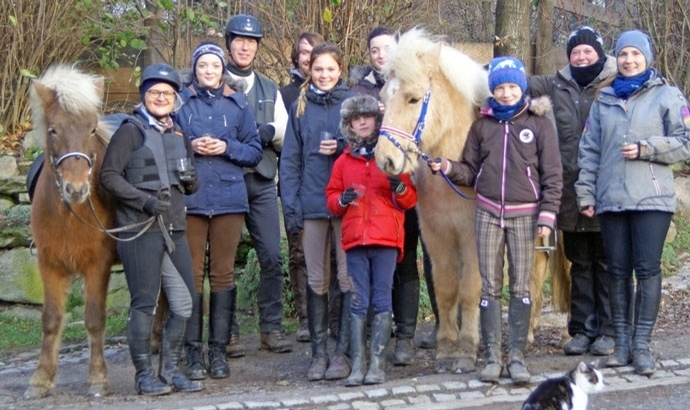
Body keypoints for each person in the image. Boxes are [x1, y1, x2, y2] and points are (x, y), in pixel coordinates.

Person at [429, 56, 562, 384]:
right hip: (488, 214)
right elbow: (471, 171)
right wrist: (448, 168)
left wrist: (547, 214)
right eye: (499, 87)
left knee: (519, 285)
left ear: (522, 88)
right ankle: (490, 356)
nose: (505, 93)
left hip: (526, 216)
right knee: (488, 286)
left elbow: (553, 175)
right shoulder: (482, 126)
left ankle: (515, 356)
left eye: (512, 87)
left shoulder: (538, 123)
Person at [576, 29, 690, 376]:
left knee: (648, 270)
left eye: (635, 54)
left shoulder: (668, 95)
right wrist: (585, 192)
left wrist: (646, 148)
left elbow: (685, 143)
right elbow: (589, 149)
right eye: (623, 54)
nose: (628, 60)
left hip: (652, 200)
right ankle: (621, 344)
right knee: (618, 272)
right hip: (611, 199)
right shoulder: (604, 99)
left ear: (647, 57)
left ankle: (642, 345)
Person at [100, 63, 204, 395]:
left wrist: (190, 183)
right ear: (144, 95)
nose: (161, 98)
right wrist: (142, 201)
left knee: (185, 302)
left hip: (173, 229)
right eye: (155, 92)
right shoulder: (129, 131)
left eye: (168, 93)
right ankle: (144, 375)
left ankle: (170, 369)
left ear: (176, 98)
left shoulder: (178, 134)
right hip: (140, 229)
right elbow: (109, 176)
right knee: (144, 303)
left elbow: (191, 183)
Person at [528, 26, 618, 356]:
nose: (581, 57)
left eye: (587, 51)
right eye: (575, 52)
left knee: (606, 263)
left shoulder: (615, 81)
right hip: (569, 191)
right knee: (579, 263)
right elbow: (515, 82)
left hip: (606, 189)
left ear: (600, 53)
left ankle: (609, 331)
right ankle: (581, 329)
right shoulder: (555, 85)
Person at [176, 42, 262, 380]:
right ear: (195, 69)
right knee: (193, 275)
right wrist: (190, 146)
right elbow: (167, 144)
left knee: (223, 275)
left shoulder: (238, 103)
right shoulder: (181, 103)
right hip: (192, 198)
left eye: (214, 66)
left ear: (222, 69)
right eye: (202, 66)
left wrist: (227, 147)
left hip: (228, 198)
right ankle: (193, 353)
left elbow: (254, 151)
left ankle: (218, 350)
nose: (208, 71)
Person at [350, 25, 431, 364]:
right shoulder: (362, 89)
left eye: (386, 49)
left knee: (417, 258)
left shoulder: (414, 81)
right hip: (379, 189)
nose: (380, 55)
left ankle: (408, 336)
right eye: (374, 50)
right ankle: (385, 334)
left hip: (415, 181)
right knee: (394, 261)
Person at [326, 94, 418, 386]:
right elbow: (330, 199)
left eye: (368, 117)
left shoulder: (390, 155)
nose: (363, 122)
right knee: (357, 300)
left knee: (381, 299)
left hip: (386, 239)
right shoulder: (343, 161)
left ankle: (376, 365)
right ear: (350, 124)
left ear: (378, 121)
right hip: (355, 241)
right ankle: (358, 365)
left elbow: (409, 200)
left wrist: (400, 188)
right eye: (357, 118)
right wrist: (342, 199)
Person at [279, 43, 354, 381]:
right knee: (317, 280)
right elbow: (290, 161)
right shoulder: (299, 106)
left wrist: (342, 146)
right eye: (318, 69)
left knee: (346, 279)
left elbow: (368, 147)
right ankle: (319, 353)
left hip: (348, 204)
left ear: (341, 70)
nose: (324, 75)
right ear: (309, 70)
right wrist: (291, 208)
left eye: (330, 69)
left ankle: (343, 351)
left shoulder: (352, 104)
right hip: (311, 204)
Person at [223, 13, 292, 356]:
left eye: (251, 42)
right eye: (240, 40)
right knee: (223, 263)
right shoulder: (214, 80)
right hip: (226, 182)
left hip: (262, 180)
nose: (246, 46)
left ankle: (271, 328)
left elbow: (284, 131)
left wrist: (269, 133)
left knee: (271, 257)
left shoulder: (269, 87)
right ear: (229, 43)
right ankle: (228, 332)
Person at [279, 31, 324, 343]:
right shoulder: (286, 95)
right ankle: (306, 319)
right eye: (304, 53)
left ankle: (331, 317)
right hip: (296, 183)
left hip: (329, 186)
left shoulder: (338, 93)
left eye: (315, 53)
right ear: (297, 57)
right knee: (299, 253)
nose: (309, 58)